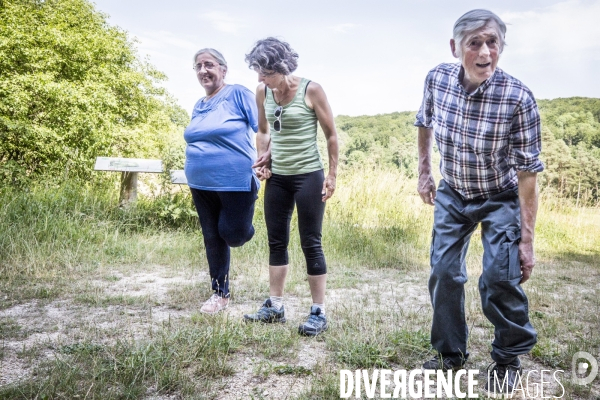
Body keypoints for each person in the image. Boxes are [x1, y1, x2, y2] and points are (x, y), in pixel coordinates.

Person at [415, 9, 543, 397]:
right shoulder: (438, 79)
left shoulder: (518, 98)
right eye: (476, 43)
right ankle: (449, 355)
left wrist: (527, 239)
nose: (486, 52)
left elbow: (527, 175)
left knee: (499, 277)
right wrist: (424, 172)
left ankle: (507, 357)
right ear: (456, 48)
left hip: (500, 195)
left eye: (493, 43)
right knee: (444, 272)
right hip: (454, 192)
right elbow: (424, 121)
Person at [242, 37, 339, 336]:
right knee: (276, 241)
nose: (260, 78)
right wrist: (265, 160)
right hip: (279, 179)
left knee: (311, 241)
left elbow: (331, 136)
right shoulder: (263, 91)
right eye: (257, 71)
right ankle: (275, 306)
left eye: (265, 72)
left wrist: (332, 175)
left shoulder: (311, 90)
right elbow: (264, 131)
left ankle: (318, 312)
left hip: (308, 175)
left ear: (282, 68)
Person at [183, 48, 259, 314]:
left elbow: (265, 128)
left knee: (233, 234)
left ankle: (246, 228)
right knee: (212, 236)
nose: (203, 70)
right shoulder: (199, 105)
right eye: (198, 66)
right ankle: (220, 293)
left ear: (223, 69)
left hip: (236, 180)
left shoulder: (238, 94)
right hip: (200, 182)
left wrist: (267, 160)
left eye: (209, 64)